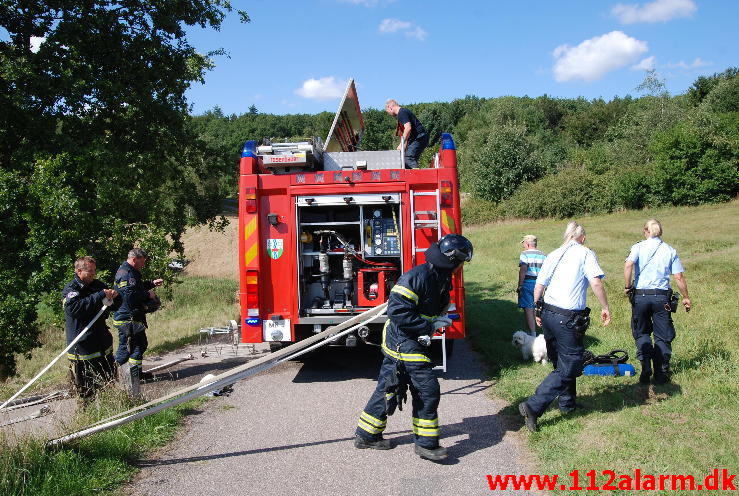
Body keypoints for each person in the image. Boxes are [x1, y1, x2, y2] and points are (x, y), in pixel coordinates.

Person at [354, 234, 473, 461]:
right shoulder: (417, 277)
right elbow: (397, 312)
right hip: (402, 341)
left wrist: (438, 317)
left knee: (388, 388)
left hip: (409, 338)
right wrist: (429, 325)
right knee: (427, 389)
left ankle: (366, 434)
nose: (461, 268)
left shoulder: (441, 276)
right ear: (452, 259)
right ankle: (426, 445)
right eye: (461, 262)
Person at [518, 222, 611, 433]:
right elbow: (596, 282)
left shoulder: (553, 254)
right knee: (571, 365)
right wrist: (605, 306)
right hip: (567, 318)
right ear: (582, 238)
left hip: (549, 313)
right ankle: (533, 406)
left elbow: (539, 284)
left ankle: (567, 404)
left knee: (561, 361)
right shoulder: (585, 253)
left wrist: (538, 310)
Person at [624, 219, 691, 384]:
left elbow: (628, 265)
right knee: (663, 335)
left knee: (642, 332)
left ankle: (646, 364)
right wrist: (686, 297)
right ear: (660, 231)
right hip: (662, 298)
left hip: (641, 296)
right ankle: (661, 373)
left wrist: (627, 286)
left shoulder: (638, 247)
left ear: (646, 231)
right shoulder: (669, 250)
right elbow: (678, 277)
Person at [62, 256, 120, 398]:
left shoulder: (97, 285)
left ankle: (112, 409)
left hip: (102, 344)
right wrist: (99, 295)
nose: (93, 274)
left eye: (94, 270)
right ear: (79, 271)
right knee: (87, 391)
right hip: (83, 348)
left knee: (109, 383)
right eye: (90, 271)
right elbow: (75, 309)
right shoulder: (71, 290)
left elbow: (115, 305)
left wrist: (115, 296)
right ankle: (88, 415)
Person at [113, 248, 163, 390]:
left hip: (133, 316)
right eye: (142, 262)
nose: (143, 265)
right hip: (128, 318)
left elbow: (136, 287)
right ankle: (116, 376)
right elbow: (130, 295)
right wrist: (148, 296)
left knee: (139, 345)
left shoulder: (130, 271)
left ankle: (137, 374)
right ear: (134, 259)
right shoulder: (127, 273)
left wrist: (152, 283)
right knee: (127, 348)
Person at [385, 99, 429, 169]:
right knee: (406, 160)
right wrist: (401, 150)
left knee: (409, 158)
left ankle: (416, 178)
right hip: (417, 138)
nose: (389, 115)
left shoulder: (401, 113)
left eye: (388, 112)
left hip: (419, 137)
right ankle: (412, 176)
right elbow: (406, 135)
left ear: (390, 107)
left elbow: (408, 128)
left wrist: (401, 144)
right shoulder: (402, 114)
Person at [517, 234, 546, 336]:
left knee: (529, 308)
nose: (523, 245)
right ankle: (545, 332)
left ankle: (532, 333)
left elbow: (523, 269)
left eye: (524, 243)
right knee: (538, 307)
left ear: (527, 244)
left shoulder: (524, 254)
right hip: (540, 284)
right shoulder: (543, 255)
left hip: (528, 283)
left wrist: (520, 285)